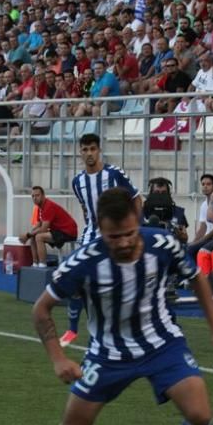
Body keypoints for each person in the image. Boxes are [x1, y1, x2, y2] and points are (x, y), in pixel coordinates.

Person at [20, 188, 213, 425]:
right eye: (113, 236)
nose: (124, 242)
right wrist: (58, 358)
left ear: (137, 219)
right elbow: (41, 308)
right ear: (101, 230)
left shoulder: (162, 244)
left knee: (200, 414)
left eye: (129, 233)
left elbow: (198, 276)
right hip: (108, 355)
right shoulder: (84, 261)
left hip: (163, 345)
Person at [59, 133, 142, 348]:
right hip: (91, 236)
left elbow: (135, 198)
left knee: (117, 284)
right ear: (80, 152)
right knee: (76, 280)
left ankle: (123, 328)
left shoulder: (114, 174)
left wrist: (136, 228)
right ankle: (72, 329)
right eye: (85, 150)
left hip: (117, 237)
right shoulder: (78, 181)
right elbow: (87, 210)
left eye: (92, 149)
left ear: (99, 150)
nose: (89, 153)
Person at [18, 186, 78, 267]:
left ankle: (42, 264)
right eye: (33, 196)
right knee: (33, 236)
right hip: (58, 231)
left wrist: (27, 235)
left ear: (43, 196)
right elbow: (38, 225)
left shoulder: (48, 206)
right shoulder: (40, 208)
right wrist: (28, 235)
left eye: (37, 195)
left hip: (68, 232)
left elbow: (43, 229)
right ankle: (35, 263)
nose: (35, 198)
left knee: (39, 237)